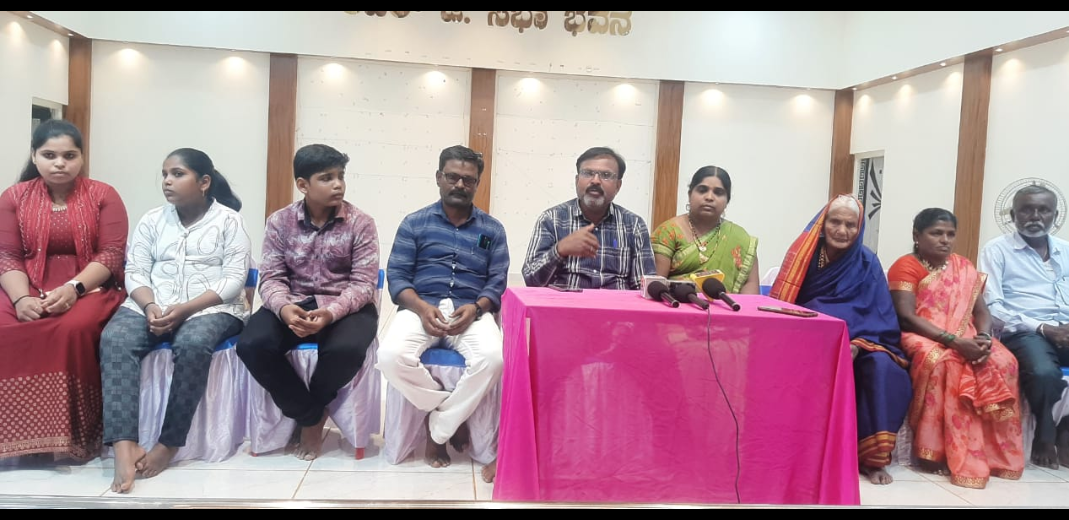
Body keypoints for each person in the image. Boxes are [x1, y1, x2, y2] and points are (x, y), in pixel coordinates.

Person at [100, 148, 251, 493]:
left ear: (204, 182)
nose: (167, 181)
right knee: (115, 339)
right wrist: (150, 305)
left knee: (193, 342)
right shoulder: (152, 220)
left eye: (178, 174)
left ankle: (168, 443)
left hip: (213, 307)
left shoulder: (229, 221)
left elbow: (233, 280)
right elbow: (135, 271)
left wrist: (185, 309)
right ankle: (124, 446)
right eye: (165, 174)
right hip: (151, 304)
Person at [236, 144, 379, 462]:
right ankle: (310, 415)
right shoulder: (279, 222)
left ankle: (311, 415)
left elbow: (363, 284)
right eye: (327, 178)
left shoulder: (361, 223)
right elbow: (271, 277)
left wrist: (330, 313)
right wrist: (285, 309)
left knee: (346, 350)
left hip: (345, 305)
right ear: (303, 185)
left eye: (341, 176)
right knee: (252, 345)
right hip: (293, 302)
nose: (338, 184)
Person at [377, 145, 508, 484]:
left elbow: (497, 280)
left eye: (469, 179)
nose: (460, 184)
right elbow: (398, 277)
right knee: (390, 356)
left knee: (493, 359)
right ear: (439, 177)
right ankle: (451, 414)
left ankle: (438, 429)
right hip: (420, 306)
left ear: (477, 184)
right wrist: (422, 308)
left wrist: (477, 307)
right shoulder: (414, 223)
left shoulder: (492, 229)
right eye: (453, 176)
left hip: (470, 311)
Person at [0, 120, 128, 462]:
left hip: (91, 286)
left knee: (71, 329)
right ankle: (17, 437)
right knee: (5, 327)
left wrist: (74, 288)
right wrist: (21, 298)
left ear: (81, 157)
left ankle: (72, 436)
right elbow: (6, 255)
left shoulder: (103, 195)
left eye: (69, 156)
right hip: (25, 284)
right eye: (49, 155)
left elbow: (111, 254)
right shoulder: (13, 197)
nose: (60, 163)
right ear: (34, 156)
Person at [770, 194, 911, 485]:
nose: (842, 230)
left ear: (859, 229)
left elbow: (881, 316)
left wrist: (858, 344)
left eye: (850, 225)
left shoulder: (868, 262)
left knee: (883, 369)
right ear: (823, 224)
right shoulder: (803, 256)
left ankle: (872, 460)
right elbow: (785, 305)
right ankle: (795, 450)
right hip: (810, 338)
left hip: (862, 341)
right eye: (835, 222)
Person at [888, 208, 1023, 488]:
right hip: (919, 334)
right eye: (936, 233)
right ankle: (933, 451)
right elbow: (906, 316)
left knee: (1004, 361)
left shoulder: (963, 266)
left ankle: (990, 452)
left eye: (950, 234)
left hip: (966, 334)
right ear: (917, 236)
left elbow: (981, 312)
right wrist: (954, 342)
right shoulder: (906, 265)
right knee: (945, 363)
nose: (945, 240)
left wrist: (983, 337)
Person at [979, 184, 1069, 469]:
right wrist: (1043, 328)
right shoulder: (997, 250)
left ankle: (1066, 427)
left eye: (1044, 210)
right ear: (1013, 215)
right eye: (1027, 210)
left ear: (1055, 215)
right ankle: (1045, 435)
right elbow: (994, 307)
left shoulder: (1066, 250)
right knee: (1044, 373)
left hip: (1065, 327)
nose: (1035, 216)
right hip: (1024, 330)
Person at [522, 146, 655, 290]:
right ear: (577, 180)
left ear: (618, 186)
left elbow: (644, 288)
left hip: (615, 304)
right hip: (566, 303)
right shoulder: (551, 219)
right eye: (588, 173)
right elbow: (531, 280)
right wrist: (560, 250)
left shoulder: (634, 225)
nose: (595, 181)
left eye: (606, 175)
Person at [651, 166, 759, 293]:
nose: (709, 197)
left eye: (718, 192)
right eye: (702, 190)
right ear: (690, 195)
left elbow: (750, 295)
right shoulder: (668, 232)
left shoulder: (741, 239)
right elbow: (656, 286)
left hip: (725, 305)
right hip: (676, 303)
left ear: (727, 200)